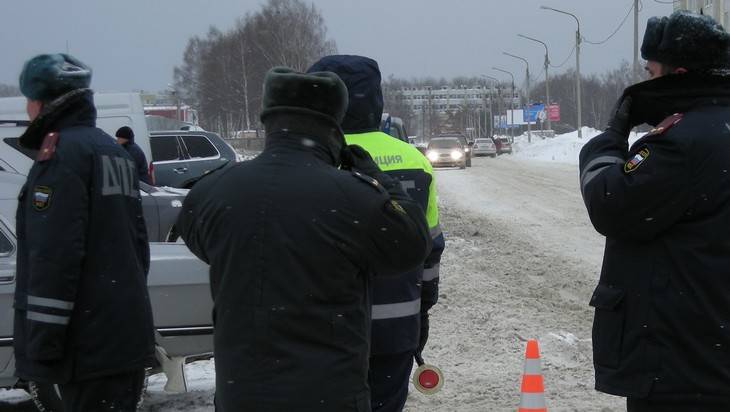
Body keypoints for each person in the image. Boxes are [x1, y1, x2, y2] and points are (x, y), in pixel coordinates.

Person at [176, 67, 431, 411]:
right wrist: (375, 177)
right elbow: (412, 245)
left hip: (242, 393)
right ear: (334, 127)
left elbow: (202, 243)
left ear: (267, 119)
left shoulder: (212, 192)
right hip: (328, 394)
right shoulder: (353, 198)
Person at [578, 11, 730, 411]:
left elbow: (610, 203)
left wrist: (609, 141)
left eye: (650, 72)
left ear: (676, 74)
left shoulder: (682, 143)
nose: (646, 83)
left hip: (683, 363)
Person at [13, 53, 154, 411]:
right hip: (120, 334)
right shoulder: (111, 150)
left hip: (85, 346)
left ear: (40, 102)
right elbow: (137, 245)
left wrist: (42, 346)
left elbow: (53, 256)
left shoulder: (60, 157)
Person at [308, 55, 445, 412]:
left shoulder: (307, 159)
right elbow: (429, 246)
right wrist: (422, 308)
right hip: (393, 324)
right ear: (376, 99)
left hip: (319, 331)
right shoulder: (413, 160)